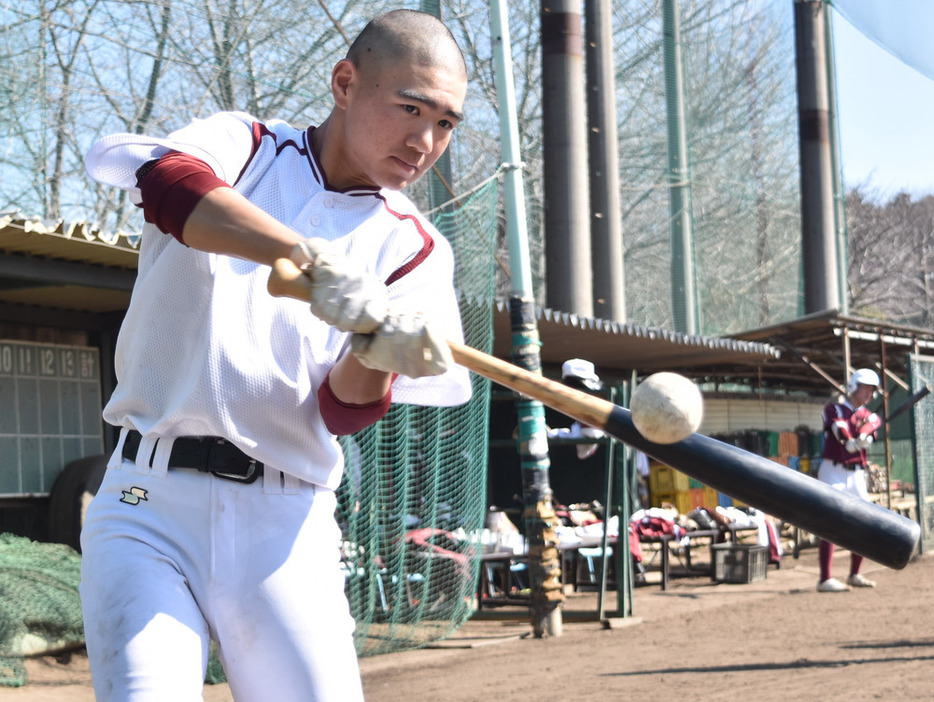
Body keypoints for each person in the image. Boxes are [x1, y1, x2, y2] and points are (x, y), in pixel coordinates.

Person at [79, 10, 471, 701]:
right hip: (148, 501)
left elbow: (341, 411)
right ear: (346, 83)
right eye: (410, 108)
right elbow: (165, 185)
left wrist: (378, 352)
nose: (425, 140)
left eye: (445, 123)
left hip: (285, 526)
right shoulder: (247, 145)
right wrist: (302, 258)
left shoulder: (415, 250)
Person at [816, 368, 883, 593]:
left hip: (856, 474)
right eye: (866, 388)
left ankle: (854, 574)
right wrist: (849, 442)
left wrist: (865, 436)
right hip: (833, 470)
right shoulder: (834, 408)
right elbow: (838, 426)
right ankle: (825, 579)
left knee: (863, 520)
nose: (870, 394)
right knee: (830, 522)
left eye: (872, 390)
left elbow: (874, 422)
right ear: (854, 386)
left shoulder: (867, 415)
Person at [547, 358, 606, 459]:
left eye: (578, 387)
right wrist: (554, 434)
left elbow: (593, 435)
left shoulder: (595, 406)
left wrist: (559, 435)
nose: (575, 391)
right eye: (572, 387)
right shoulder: (577, 409)